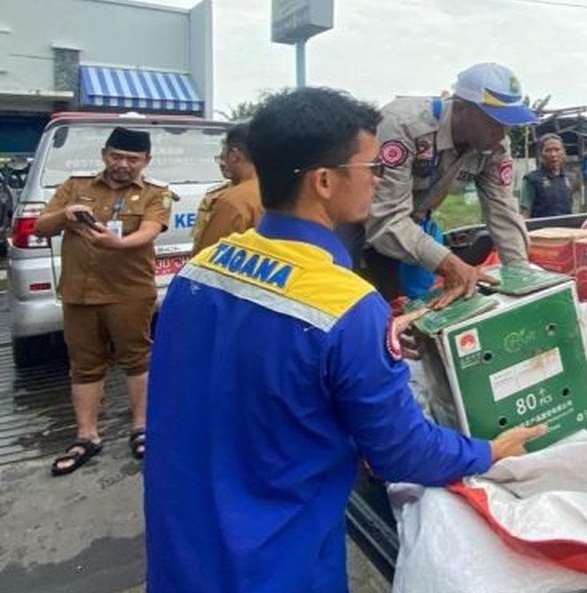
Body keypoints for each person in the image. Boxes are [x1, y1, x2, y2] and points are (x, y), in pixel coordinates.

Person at [144, 87, 544, 593]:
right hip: (279, 559)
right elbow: (401, 453)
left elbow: (245, 375)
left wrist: (375, 343)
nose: (379, 181)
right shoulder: (347, 307)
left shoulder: (197, 274)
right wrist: (486, 452)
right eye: (371, 168)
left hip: (184, 548)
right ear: (325, 181)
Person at [35, 127, 173, 475]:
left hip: (129, 293)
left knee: (136, 359)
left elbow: (150, 230)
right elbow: (40, 226)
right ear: (104, 154)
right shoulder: (74, 187)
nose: (123, 164)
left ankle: (141, 427)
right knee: (84, 364)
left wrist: (120, 244)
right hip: (80, 293)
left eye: (132, 159)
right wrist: (63, 215)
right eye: (116, 156)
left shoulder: (156, 194)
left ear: (146, 161)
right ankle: (87, 436)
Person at [361, 62, 536, 308]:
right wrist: (451, 264)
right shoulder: (403, 125)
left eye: (509, 123)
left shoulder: (496, 146)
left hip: (413, 227)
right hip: (360, 225)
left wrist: (522, 278)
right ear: (462, 106)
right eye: (494, 121)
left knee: (418, 306)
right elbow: (385, 218)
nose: (503, 133)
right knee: (371, 307)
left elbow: (503, 211)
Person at [192, 122, 262, 254]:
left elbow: (208, 256)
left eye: (224, 154)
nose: (223, 162)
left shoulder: (233, 200)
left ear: (234, 155)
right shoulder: (282, 190)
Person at [520, 133, 577, 218]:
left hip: (566, 229)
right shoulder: (531, 179)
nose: (553, 154)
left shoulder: (570, 178)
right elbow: (524, 213)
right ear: (540, 154)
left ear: (564, 152)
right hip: (540, 230)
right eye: (548, 150)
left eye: (557, 150)